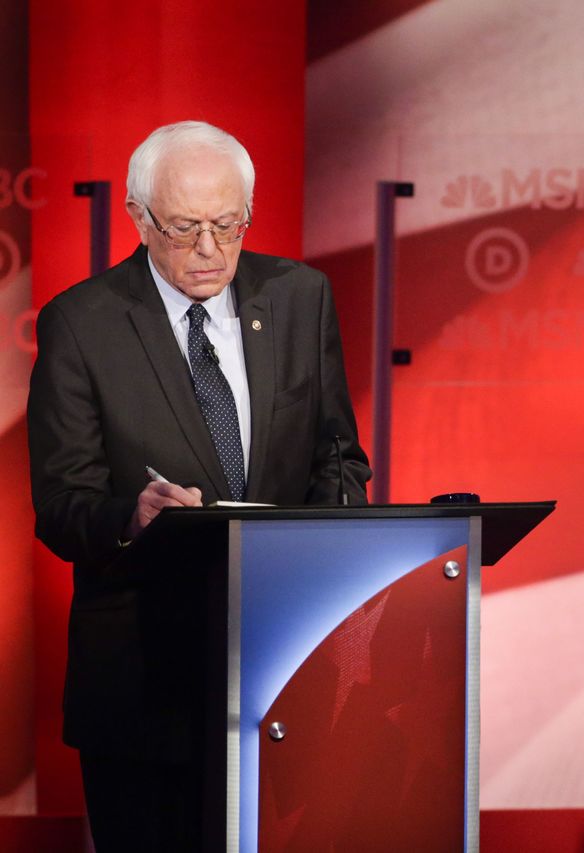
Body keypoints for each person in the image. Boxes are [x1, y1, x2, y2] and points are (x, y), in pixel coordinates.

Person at [27, 120, 372, 850]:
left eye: (228, 224)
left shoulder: (299, 297)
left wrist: (339, 554)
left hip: (283, 669)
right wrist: (133, 514)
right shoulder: (81, 324)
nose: (210, 250)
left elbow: (337, 456)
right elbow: (61, 504)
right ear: (138, 217)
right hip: (144, 685)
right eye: (185, 228)